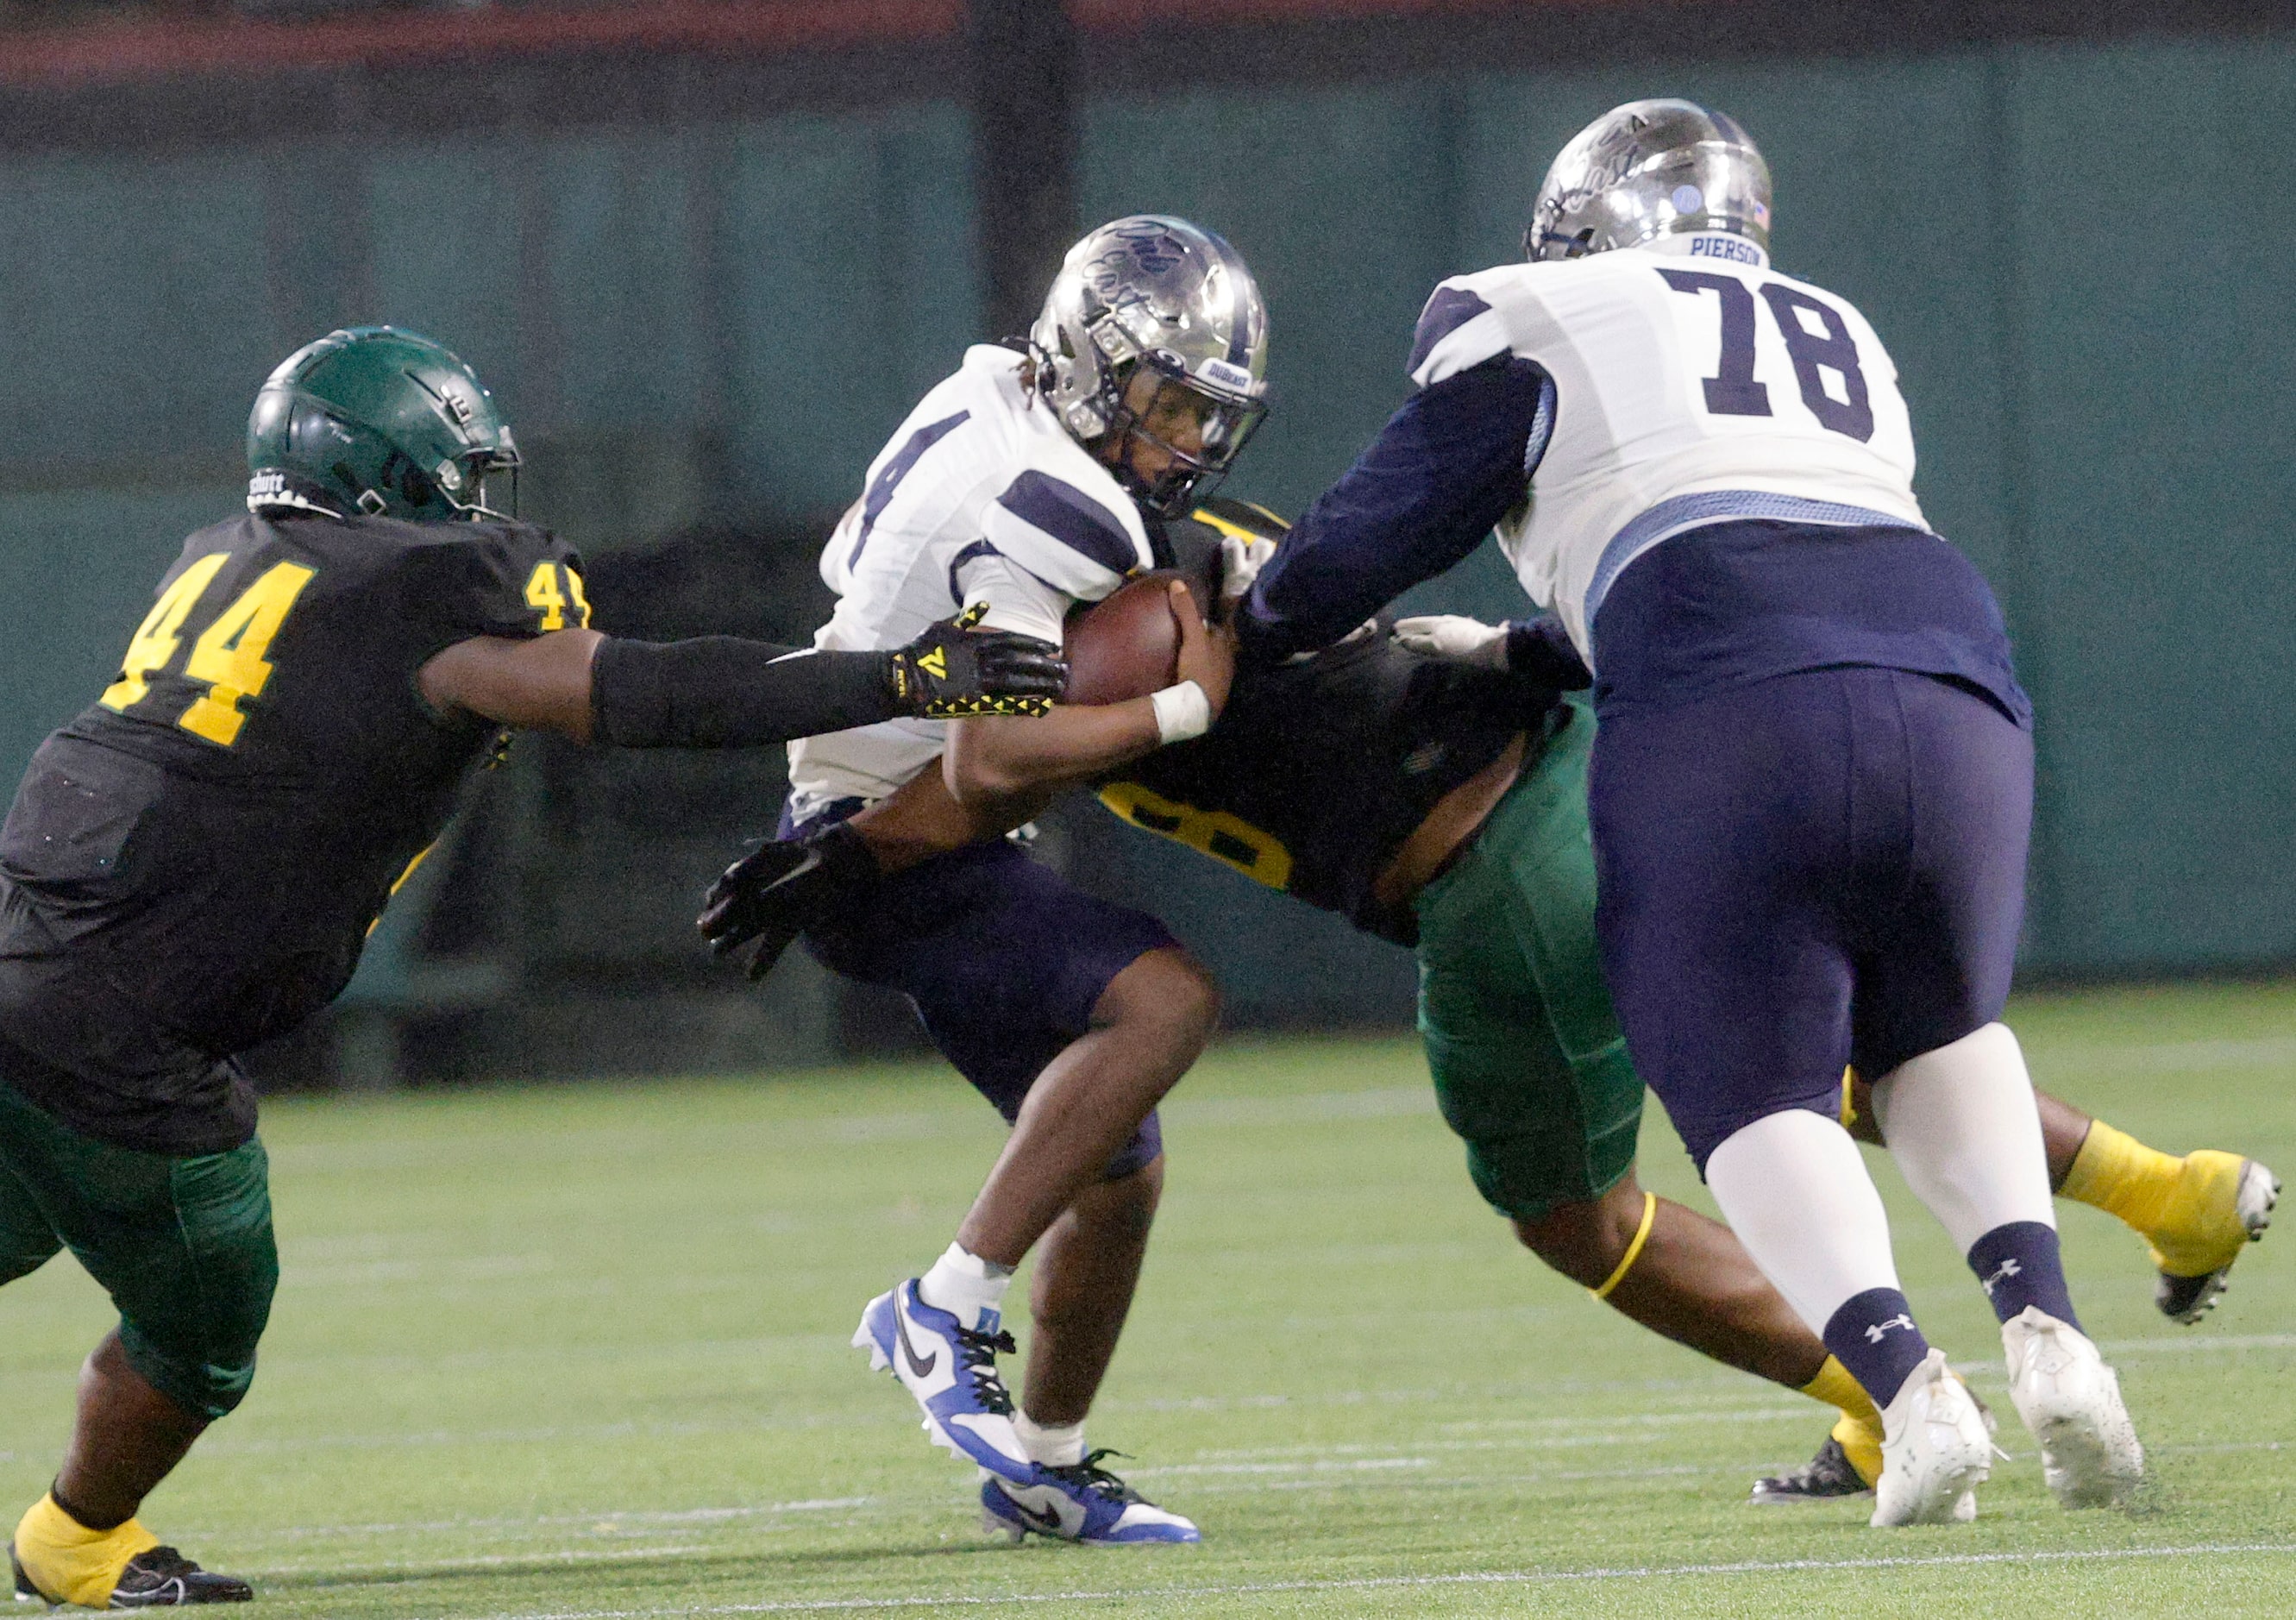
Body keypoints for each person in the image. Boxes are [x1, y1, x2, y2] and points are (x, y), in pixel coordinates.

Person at [713, 499, 2276, 1512]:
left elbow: (999, 765)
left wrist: (841, 848)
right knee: (1831, 1054)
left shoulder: (1121, 605)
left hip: (1490, 873)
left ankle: (1872, 1394)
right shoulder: (1192, 536)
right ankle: (2166, 1190)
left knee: (1575, 1211)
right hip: (1601, 755)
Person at [0, 326, 1065, 1609]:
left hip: (31, 945)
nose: (474, 496)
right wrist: (897, 675)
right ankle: (76, 1537)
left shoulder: (224, 556)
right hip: (125, 1039)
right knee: (207, 1318)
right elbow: (646, 692)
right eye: (453, 467)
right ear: (386, 473)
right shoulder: (428, 591)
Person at [1229, 100, 2149, 1526]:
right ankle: (2049, 1330)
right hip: (1950, 667)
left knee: (1743, 1081)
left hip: (1725, 688)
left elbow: (1344, 562)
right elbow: (1771, 522)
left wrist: (1264, 618)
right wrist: (1529, 646)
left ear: (1584, 226)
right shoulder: (1837, 328)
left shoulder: (1523, 309)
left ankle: (1909, 1391)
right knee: (1932, 1032)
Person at [702, 217, 1269, 1546]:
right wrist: (1184, 708)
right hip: (892, 836)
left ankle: (1043, 1464)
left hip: (868, 816)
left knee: (1114, 1169)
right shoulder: (1051, 499)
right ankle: (945, 1303)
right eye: (1165, 400)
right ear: (1086, 363)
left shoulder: (986, 386)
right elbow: (994, 760)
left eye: (1204, 411)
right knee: (1164, 1003)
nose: (1185, 439)